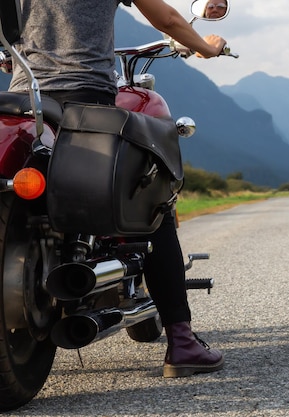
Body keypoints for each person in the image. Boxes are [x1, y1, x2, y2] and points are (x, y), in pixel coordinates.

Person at [8, 0, 227, 378]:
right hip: (86, 97)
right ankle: (182, 342)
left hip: (23, 101)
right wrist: (208, 47)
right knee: (151, 207)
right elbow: (168, 18)